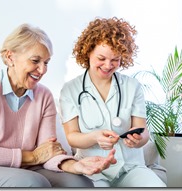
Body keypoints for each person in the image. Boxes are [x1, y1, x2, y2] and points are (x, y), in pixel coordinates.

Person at [0, 23, 117, 188]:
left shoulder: (44, 96)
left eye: (46, 62)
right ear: (10, 57)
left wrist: (75, 166)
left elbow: (47, 152)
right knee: (33, 183)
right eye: (35, 61)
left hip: (24, 171)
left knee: (79, 184)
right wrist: (33, 156)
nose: (42, 70)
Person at [59, 17, 167, 187]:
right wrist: (94, 137)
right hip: (93, 169)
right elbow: (71, 136)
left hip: (131, 168)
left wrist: (139, 139)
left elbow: (143, 131)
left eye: (115, 59)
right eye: (101, 58)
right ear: (88, 52)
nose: (108, 65)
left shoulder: (132, 86)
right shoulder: (70, 90)